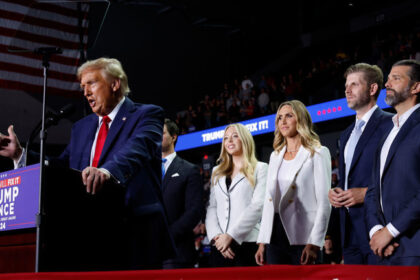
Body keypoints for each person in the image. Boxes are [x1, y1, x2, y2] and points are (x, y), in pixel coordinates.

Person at [0, 57, 175, 269]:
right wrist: (20, 153)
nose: (85, 92)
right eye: (82, 87)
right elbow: (61, 166)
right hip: (89, 237)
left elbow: (136, 151)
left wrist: (106, 171)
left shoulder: (147, 114)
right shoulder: (81, 127)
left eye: (91, 83)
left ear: (115, 83)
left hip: (135, 233)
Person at [328, 63, 393, 264]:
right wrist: (336, 192)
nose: (347, 90)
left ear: (373, 89)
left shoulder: (391, 123)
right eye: (347, 85)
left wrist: (366, 193)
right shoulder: (346, 134)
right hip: (348, 230)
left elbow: (399, 177)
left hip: (378, 227)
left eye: (354, 84)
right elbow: (348, 178)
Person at [255, 100, 331, 265]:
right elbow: (269, 203)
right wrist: (262, 242)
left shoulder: (318, 153)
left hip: (304, 237)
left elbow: (324, 203)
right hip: (275, 238)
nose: (283, 121)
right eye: (280, 117)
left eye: (289, 116)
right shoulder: (274, 157)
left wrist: (315, 242)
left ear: (301, 119)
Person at [365, 59, 420, 265]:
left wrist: (391, 230)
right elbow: (373, 189)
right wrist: (376, 230)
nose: (387, 84)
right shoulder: (388, 132)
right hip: (383, 249)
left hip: (414, 247)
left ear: (416, 86)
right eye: (387, 79)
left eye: (396, 78)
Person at [205, 123, 268, 267]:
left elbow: (258, 206)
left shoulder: (260, 168)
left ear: (245, 139)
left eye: (235, 136)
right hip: (219, 246)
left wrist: (231, 235)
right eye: (226, 138)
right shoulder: (216, 171)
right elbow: (212, 207)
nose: (229, 141)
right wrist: (216, 237)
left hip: (247, 244)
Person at [161, 118, 203, 268]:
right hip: (149, 254)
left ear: (174, 137)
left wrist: (168, 235)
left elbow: (195, 210)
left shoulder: (189, 170)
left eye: (162, 132)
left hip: (177, 253)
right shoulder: (146, 170)